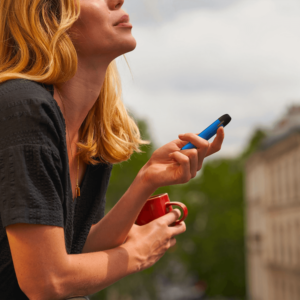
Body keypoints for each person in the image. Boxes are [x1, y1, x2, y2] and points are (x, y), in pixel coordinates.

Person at [0, 0, 225, 299]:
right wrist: (137, 252)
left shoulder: (91, 131)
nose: (117, 0)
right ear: (47, 14)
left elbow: (76, 249)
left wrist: (147, 179)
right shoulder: (24, 110)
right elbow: (47, 279)